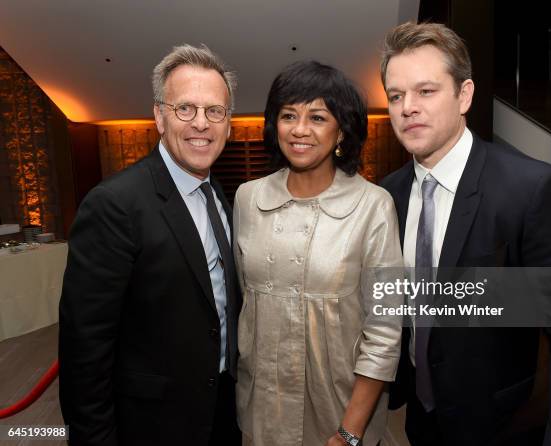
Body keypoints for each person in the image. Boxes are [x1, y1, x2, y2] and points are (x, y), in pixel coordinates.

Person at [379, 21, 551, 446]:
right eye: (396, 96)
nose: (407, 107)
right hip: (422, 424)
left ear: (464, 95)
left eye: (425, 91)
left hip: (509, 427)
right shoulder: (386, 196)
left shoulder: (536, 189)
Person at [58, 44, 241, 446]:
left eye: (215, 111)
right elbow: (85, 350)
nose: (201, 124)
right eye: (185, 109)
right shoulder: (115, 205)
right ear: (159, 116)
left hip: (222, 410)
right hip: (152, 424)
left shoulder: (218, 195)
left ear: (228, 124)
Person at [233, 60, 403, 446]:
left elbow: (385, 331)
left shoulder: (374, 206)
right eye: (288, 115)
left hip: (339, 409)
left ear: (341, 129)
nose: (300, 130)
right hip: (261, 409)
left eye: (318, 117)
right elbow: (246, 304)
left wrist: (350, 432)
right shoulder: (248, 198)